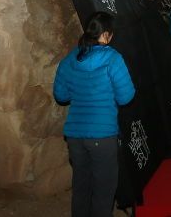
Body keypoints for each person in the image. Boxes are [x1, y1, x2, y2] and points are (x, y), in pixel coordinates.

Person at [54, 12, 135, 217]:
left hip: (75, 136)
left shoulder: (70, 58)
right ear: (106, 35)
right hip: (102, 135)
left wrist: (80, 89)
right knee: (104, 189)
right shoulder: (112, 59)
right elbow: (126, 96)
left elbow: (61, 95)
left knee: (81, 186)